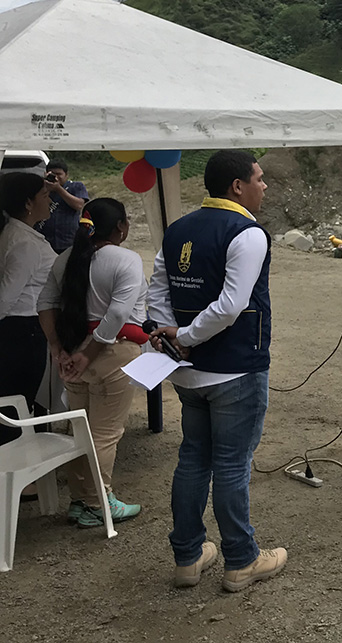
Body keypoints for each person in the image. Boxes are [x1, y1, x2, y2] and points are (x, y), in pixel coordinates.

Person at [147, 150, 286, 591]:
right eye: (259, 179)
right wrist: (186, 337)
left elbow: (157, 293)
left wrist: (171, 338)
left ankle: (188, 557)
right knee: (230, 465)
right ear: (237, 186)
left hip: (188, 373)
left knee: (193, 459)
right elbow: (231, 306)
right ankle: (241, 560)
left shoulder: (177, 230)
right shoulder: (247, 233)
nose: (264, 186)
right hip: (234, 369)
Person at [37, 198, 147, 527]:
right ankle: (100, 501)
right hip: (110, 353)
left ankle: (80, 499)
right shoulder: (126, 259)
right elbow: (117, 313)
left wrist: (58, 348)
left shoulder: (66, 258)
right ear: (121, 227)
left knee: (80, 430)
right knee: (105, 433)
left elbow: (45, 303)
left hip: (71, 354)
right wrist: (89, 353)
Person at [0, 172, 55, 445]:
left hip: (22, 330)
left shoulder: (20, 234)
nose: (50, 201)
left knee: (15, 403)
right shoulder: (24, 244)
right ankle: (15, 464)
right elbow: (5, 297)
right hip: (22, 332)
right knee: (16, 405)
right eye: (44, 195)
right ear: (28, 203)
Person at [37, 159, 89, 254]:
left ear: (66, 175)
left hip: (69, 241)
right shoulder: (40, 187)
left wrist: (58, 189)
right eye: (52, 174)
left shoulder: (76, 186)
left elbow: (78, 205)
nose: (56, 177)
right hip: (44, 242)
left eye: (59, 174)